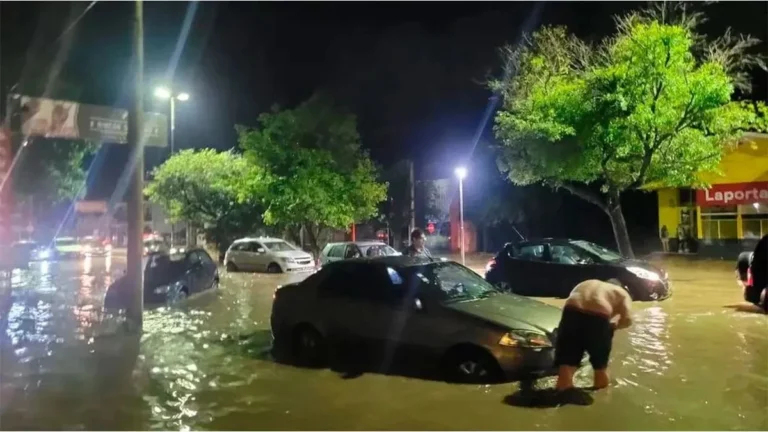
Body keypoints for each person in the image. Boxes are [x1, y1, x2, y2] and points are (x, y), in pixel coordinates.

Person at [554, 278, 633, 392]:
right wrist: (613, 327)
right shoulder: (621, 292)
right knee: (600, 367)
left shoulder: (586, 283)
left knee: (566, 364)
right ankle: (602, 398)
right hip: (599, 316)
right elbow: (628, 319)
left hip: (571, 311)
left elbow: (569, 304)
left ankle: (562, 393)